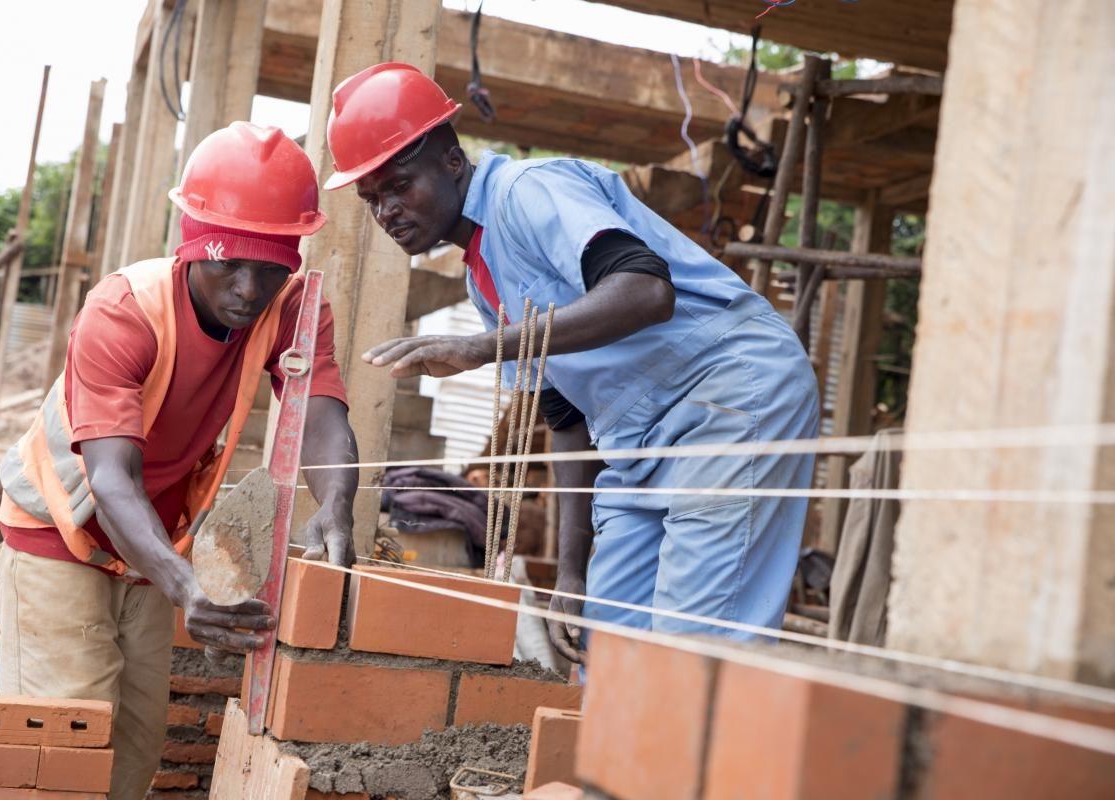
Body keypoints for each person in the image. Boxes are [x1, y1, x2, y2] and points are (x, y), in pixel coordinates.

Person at [322, 63, 820, 664]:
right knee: (605, 656)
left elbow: (645, 290)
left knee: (693, 655)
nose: (388, 211)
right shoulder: (485, 276)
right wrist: (570, 573)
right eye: (372, 198)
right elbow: (563, 415)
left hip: (726, 394)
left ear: (453, 161)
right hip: (636, 440)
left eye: (400, 184)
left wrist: (486, 348)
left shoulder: (527, 191)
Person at [0, 122, 359, 798]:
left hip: (147, 549)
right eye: (230, 264)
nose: (249, 289)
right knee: (67, 745)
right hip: (58, 536)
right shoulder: (125, 311)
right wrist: (186, 587)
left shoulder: (295, 309)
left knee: (132, 747)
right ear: (193, 245)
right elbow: (110, 477)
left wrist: (337, 506)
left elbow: (320, 414)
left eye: (270, 266)